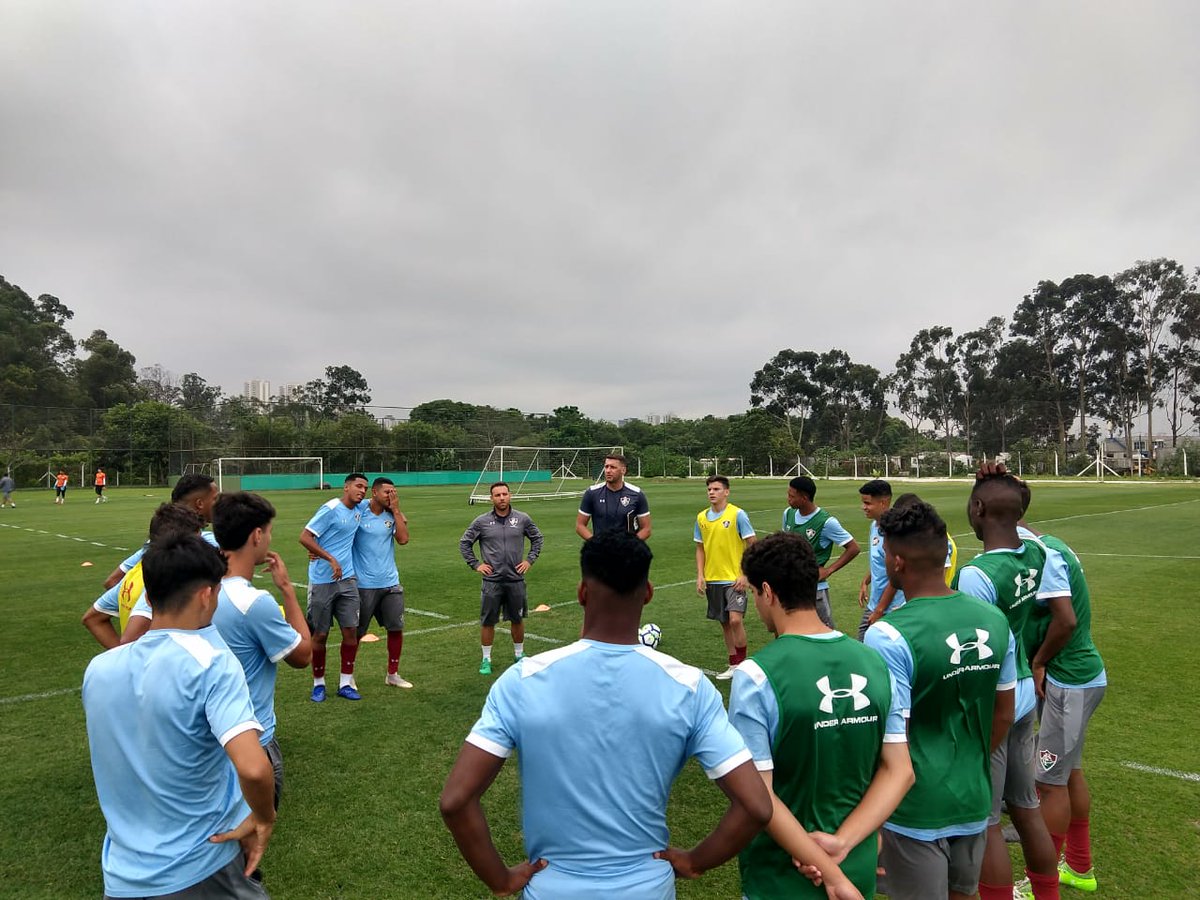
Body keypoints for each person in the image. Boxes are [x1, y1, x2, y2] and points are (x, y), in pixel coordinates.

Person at [440, 529, 772, 899]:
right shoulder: (690, 686)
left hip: (553, 889)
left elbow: (456, 801)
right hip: (648, 888)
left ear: (582, 593)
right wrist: (695, 862)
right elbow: (756, 806)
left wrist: (499, 880)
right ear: (647, 593)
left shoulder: (523, 680)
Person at [82, 531, 276, 899]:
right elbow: (253, 767)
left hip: (122, 877)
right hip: (200, 866)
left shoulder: (99, 669)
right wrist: (263, 817)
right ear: (207, 594)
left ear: (149, 595)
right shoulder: (212, 664)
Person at [730, 531, 914, 900]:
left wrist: (828, 873)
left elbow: (758, 797)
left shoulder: (756, 676)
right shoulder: (873, 663)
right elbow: (901, 770)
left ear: (767, 592)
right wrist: (842, 845)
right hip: (854, 863)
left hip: (782, 877)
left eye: (753, 593)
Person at [864, 499, 1018, 900]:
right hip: (973, 796)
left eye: (883, 553)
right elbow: (1004, 713)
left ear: (897, 562)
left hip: (915, 806)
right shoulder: (994, 619)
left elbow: (891, 736)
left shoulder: (887, 635)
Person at [956, 472, 1070, 900]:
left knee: (985, 821)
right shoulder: (1037, 554)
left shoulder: (976, 575)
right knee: (1025, 808)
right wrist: (1015, 492)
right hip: (1024, 694)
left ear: (978, 511)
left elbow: (976, 657)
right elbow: (1031, 531)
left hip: (995, 702)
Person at [1015, 481, 1106, 893]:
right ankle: (1080, 868)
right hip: (1083, 677)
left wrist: (1038, 661)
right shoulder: (1053, 544)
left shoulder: (1043, 555)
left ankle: (1040, 885)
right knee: (1069, 775)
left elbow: (1065, 621)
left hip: (1070, 682)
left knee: (1049, 782)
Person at [212, 491, 312, 810]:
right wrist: (287, 590)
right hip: (253, 738)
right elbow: (302, 656)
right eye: (269, 532)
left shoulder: (200, 591)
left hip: (211, 737)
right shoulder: (254, 603)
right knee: (251, 836)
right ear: (257, 535)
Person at [83, 504, 204, 649]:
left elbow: (93, 618)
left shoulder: (135, 573)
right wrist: (126, 658)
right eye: (197, 541)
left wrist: (121, 656)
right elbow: (130, 638)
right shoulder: (166, 580)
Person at [459, 482, 544, 675]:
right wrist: (476, 564)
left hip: (515, 580)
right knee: (488, 621)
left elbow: (537, 538)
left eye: (505, 494)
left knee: (517, 619)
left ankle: (519, 655)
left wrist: (529, 560)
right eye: (497, 495)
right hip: (492, 581)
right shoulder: (481, 521)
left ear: (510, 496)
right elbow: (465, 543)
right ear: (491, 498)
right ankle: (486, 659)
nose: (502, 498)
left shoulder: (522, 519)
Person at [300, 473, 369, 702]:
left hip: (348, 580)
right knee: (320, 634)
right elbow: (305, 537)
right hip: (322, 581)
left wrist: (396, 507)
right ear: (346, 487)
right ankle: (318, 684)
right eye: (358, 486)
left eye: (365, 488)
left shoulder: (361, 509)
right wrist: (329, 558)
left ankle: (345, 683)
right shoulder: (330, 508)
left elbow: (381, 501)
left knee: (351, 632)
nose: (362, 491)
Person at [103, 473, 220, 590]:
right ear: (200, 503)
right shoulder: (173, 542)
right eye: (215, 499)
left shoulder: (161, 540)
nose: (220, 503)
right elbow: (112, 581)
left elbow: (112, 581)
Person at [694, 475, 757, 679]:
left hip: (734, 579)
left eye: (716, 489)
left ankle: (743, 663)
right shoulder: (701, 518)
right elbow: (700, 549)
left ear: (726, 492)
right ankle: (733, 664)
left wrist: (745, 574)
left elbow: (753, 545)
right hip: (713, 579)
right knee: (725, 623)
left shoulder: (738, 515)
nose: (712, 492)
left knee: (735, 620)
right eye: (709, 489)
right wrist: (700, 575)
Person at [353, 476, 412, 688]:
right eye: (387, 492)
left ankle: (393, 674)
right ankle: (347, 676)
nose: (392, 496)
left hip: (390, 582)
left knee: (396, 628)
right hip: (363, 585)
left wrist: (396, 511)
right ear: (374, 493)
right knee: (356, 632)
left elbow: (404, 539)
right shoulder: (358, 510)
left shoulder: (392, 514)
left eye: (394, 492)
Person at [782, 476, 860, 629]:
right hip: (790, 586)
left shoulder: (826, 522)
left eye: (792, 496)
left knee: (824, 631)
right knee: (791, 630)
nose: (788, 499)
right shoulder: (788, 514)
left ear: (804, 497)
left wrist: (829, 570)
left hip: (814, 590)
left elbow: (854, 548)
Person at [575, 453, 651, 540]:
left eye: (613, 467)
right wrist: (596, 544)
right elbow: (580, 525)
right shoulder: (592, 493)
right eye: (606, 466)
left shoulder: (637, 494)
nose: (608, 470)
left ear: (623, 470)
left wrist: (630, 546)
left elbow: (646, 529)